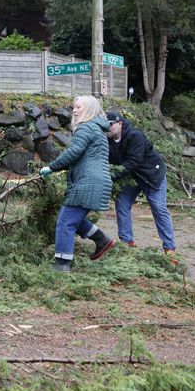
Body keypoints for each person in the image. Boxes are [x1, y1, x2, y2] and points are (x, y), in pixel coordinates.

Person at [39, 95, 115, 272]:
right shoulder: (97, 128)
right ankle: (102, 240)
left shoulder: (86, 127)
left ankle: (62, 266)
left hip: (88, 182)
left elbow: (74, 152)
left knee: (65, 222)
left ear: (88, 109)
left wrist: (52, 167)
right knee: (74, 217)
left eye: (78, 107)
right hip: (96, 181)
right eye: (74, 107)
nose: (74, 110)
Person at [105, 111, 177, 260]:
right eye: (105, 125)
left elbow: (133, 161)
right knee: (122, 204)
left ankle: (169, 248)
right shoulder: (108, 140)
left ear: (120, 123)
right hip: (131, 178)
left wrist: (110, 176)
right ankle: (127, 243)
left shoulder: (134, 136)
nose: (107, 128)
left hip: (151, 175)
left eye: (110, 125)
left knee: (158, 208)